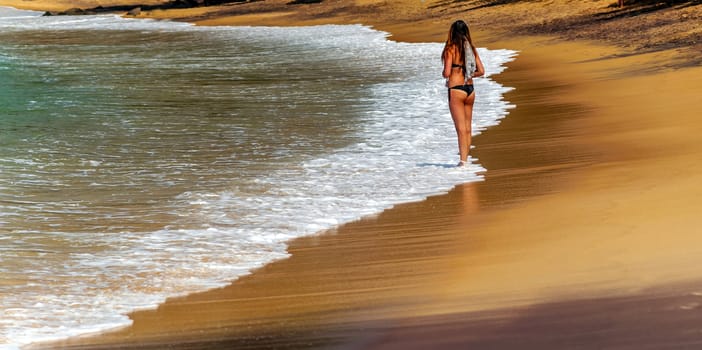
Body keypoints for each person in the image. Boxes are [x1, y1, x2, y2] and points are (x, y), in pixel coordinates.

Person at [441, 20, 485, 167]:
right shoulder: (471, 48)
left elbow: (447, 72)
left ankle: (463, 162)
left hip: (456, 90)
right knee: (467, 128)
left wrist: (447, 74)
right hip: (470, 90)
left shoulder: (450, 49)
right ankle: (466, 159)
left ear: (452, 32)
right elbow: (481, 71)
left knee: (460, 129)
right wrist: (468, 75)